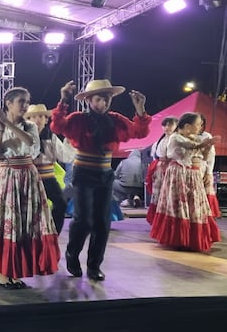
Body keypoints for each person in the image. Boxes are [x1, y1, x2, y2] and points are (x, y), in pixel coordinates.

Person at [51, 79, 151, 281]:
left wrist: (140, 110)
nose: (103, 103)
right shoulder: (78, 119)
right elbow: (57, 126)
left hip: (105, 174)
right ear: (89, 100)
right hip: (83, 172)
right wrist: (63, 100)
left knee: (102, 223)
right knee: (83, 220)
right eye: (99, 99)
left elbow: (139, 132)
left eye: (107, 99)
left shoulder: (115, 119)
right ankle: (72, 253)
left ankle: (94, 265)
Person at [0, 88, 60, 289]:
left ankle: (15, 272)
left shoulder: (31, 126)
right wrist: (1, 127)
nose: (25, 105)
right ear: (8, 103)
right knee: (7, 224)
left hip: (27, 175)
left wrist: (7, 123)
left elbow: (32, 145)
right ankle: (2, 273)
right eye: (20, 101)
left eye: (27, 101)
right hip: (6, 176)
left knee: (24, 226)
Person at [150, 113, 220, 252]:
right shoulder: (175, 137)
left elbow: (203, 156)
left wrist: (207, 148)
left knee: (195, 207)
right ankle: (179, 239)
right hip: (179, 174)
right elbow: (189, 146)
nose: (200, 127)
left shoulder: (194, 138)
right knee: (179, 206)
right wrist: (205, 143)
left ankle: (190, 238)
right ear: (187, 126)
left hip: (192, 174)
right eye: (198, 124)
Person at [25, 104, 73, 234]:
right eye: (33, 117)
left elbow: (65, 156)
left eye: (41, 116)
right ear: (28, 120)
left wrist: (69, 142)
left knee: (61, 204)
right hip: (29, 180)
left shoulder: (51, 137)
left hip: (48, 179)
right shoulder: (24, 136)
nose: (38, 119)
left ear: (46, 120)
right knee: (30, 210)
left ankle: (53, 235)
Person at [146, 116, 179, 223]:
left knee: (169, 194)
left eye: (170, 125)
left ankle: (167, 220)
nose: (167, 127)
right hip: (160, 168)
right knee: (158, 193)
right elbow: (154, 155)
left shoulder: (177, 139)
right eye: (165, 125)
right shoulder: (160, 140)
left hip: (172, 169)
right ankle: (157, 219)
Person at [197, 114, 222, 218]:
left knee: (204, 195)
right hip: (187, 169)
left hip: (202, 168)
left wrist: (208, 173)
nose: (199, 126)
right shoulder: (184, 136)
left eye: (200, 124)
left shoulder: (206, 136)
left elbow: (210, 157)